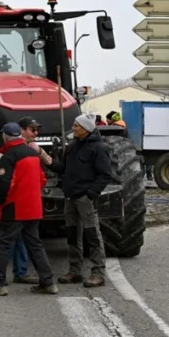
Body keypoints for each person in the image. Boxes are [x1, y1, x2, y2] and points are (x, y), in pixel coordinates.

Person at [0, 123, 57, 296]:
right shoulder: (33, 153)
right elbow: (42, 179)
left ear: (5, 137)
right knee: (35, 245)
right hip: (33, 207)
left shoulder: (8, 156)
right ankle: (48, 282)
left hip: (14, 208)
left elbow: (4, 184)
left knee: (2, 244)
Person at [43, 113, 112, 288]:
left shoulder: (99, 148)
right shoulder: (72, 147)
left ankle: (98, 273)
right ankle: (75, 270)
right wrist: (46, 159)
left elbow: (105, 175)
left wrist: (90, 194)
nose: (73, 128)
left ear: (86, 129)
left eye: (76, 126)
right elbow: (63, 168)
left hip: (85, 199)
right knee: (73, 235)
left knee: (92, 236)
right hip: (70, 197)